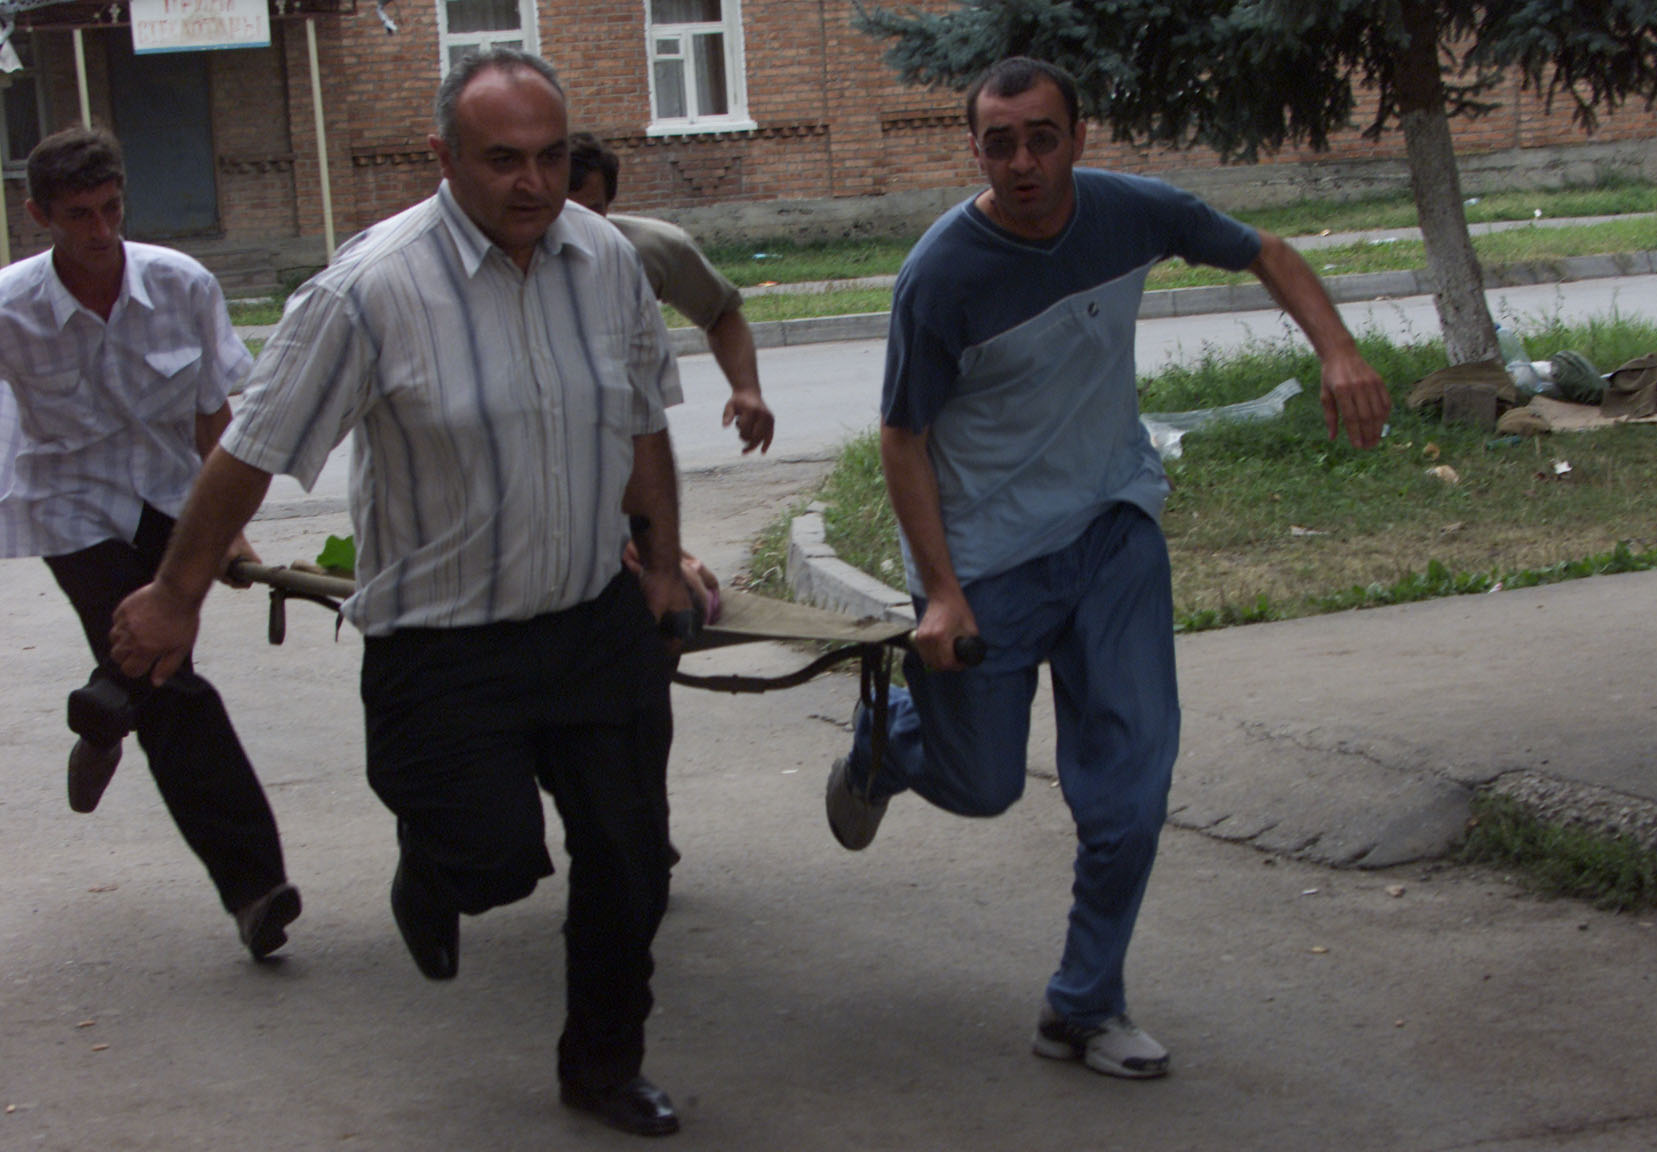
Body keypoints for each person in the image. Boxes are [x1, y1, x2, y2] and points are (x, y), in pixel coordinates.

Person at [111, 49, 690, 1138]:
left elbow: (643, 419)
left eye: (550, 155)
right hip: (442, 645)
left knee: (630, 860)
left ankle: (604, 1066)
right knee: (493, 861)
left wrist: (661, 566)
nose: (534, 182)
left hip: (590, 624)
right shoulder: (370, 289)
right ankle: (435, 871)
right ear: (442, 156)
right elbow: (252, 446)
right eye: (503, 159)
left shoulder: (606, 258)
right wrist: (175, 593)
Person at [824, 58, 1391, 1080]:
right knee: (982, 785)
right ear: (975, 152)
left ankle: (1083, 1007)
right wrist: (942, 591)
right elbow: (902, 440)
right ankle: (887, 743)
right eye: (1001, 144)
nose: (1024, 162)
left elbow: (1264, 249)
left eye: (1043, 138)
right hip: (987, 562)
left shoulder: (1133, 212)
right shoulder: (942, 276)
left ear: (1079, 138)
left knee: (1130, 785)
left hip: (1111, 529)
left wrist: (1338, 351)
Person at [0, 125, 300, 961]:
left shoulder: (181, 283)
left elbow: (213, 417)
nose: (101, 231)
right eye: (79, 215)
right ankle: (256, 889)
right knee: (166, 672)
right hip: (69, 509)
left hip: (175, 500)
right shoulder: (9, 309)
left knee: (141, 666)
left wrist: (229, 529)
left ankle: (105, 711)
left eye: (111, 208)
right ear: (39, 216)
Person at [567, 131, 774, 455]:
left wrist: (746, 388)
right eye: (566, 212)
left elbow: (720, 313)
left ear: (609, 202)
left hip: (627, 441)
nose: (580, 225)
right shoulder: (508, 259)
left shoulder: (648, 249)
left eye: (593, 211)